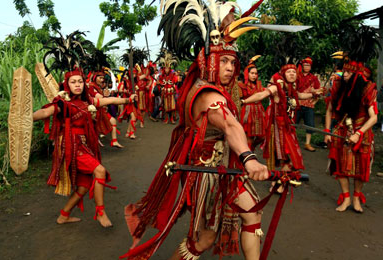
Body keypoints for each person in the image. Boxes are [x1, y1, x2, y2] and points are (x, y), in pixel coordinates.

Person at [120, 2, 271, 260]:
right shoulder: (206, 93)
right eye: (223, 61)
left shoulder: (219, 89)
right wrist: (249, 157)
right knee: (204, 239)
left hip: (229, 167)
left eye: (233, 62)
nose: (230, 68)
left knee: (253, 213)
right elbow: (230, 124)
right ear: (209, 61)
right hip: (209, 173)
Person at [34, 66, 136, 227]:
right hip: (71, 146)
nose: (77, 85)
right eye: (73, 82)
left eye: (80, 81)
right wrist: (27, 118)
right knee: (100, 171)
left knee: (83, 187)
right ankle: (101, 212)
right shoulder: (63, 103)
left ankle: (64, 215)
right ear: (67, 84)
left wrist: (127, 100)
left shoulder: (87, 101)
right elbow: (46, 112)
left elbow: (106, 100)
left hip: (84, 145)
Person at [242, 63, 322, 193]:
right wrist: (244, 102)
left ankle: (279, 182)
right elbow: (261, 95)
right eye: (289, 72)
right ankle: (277, 182)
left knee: (289, 158)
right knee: (281, 157)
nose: (292, 74)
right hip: (276, 127)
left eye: (294, 72)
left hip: (288, 127)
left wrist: (313, 94)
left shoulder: (291, 88)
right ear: (283, 74)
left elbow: (300, 95)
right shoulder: (276, 87)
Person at [325, 58, 377, 213]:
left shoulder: (367, 88)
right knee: (340, 166)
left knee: (361, 167)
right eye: (344, 71)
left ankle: (356, 198)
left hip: (362, 131)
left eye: (348, 72)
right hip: (341, 129)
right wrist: (327, 131)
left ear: (356, 74)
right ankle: (346, 197)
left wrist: (359, 133)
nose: (344, 74)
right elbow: (329, 110)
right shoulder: (338, 86)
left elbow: (374, 117)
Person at [88, 69, 124, 148]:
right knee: (94, 128)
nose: (101, 80)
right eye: (99, 78)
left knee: (113, 121)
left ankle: (114, 141)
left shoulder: (98, 86)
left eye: (102, 78)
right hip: (94, 111)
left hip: (101, 110)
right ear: (94, 77)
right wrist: (106, 96)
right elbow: (99, 97)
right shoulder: (91, 86)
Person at [239, 56, 266, 150]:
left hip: (259, 112)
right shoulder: (241, 85)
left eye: (256, 73)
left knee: (263, 136)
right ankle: (248, 155)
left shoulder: (259, 84)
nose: (254, 75)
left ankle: (251, 149)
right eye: (252, 73)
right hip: (248, 112)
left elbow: (264, 93)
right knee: (249, 138)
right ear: (247, 74)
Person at [295, 57, 321, 152]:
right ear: (302, 65)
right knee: (294, 122)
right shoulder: (297, 76)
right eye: (305, 65)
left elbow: (318, 89)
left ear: (311, 67)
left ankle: (307, 143)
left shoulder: (314, 78)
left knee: (310, 124)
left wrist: (318, 91)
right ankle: (292, 141)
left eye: (308, 65)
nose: (307, 67)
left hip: (309, 103)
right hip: (297, 103)